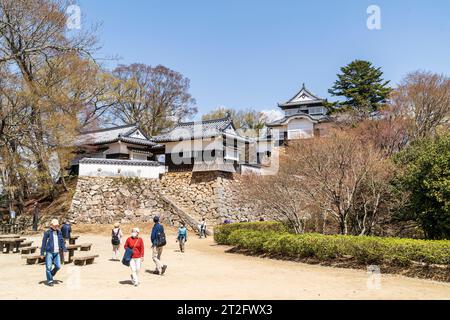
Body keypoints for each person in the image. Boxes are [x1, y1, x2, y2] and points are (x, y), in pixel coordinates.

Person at [40, 219, 67, 287]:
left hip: (57, 252)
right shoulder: (47, 232)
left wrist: (64, 250)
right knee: (48, 267)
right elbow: (43, 243)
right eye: (55, 225)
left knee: (58, 266)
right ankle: (50, 280)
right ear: (51, 225)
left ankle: (50, 274)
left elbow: (61, 242)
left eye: (57, 225)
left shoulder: (59, 232)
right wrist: (42, 253)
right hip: (49, 252)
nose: (56, 226)